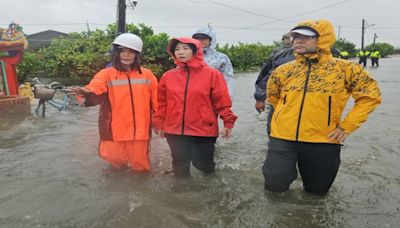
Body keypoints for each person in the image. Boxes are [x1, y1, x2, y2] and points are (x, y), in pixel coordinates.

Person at [262, 19, 381, 195]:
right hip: (282, 138)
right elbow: (273, 98)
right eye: (295, 36)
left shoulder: (346, 69)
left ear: (323, 39)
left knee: (316, 193)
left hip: (323, 141)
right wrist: (280, 123)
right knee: (273, 187)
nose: (297, 40)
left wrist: (347, 126)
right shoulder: (283, 70)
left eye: (305, 37)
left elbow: (370, 96)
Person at [66, 33, 158, 172]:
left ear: (137, 55)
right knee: (115, 163)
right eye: (122, 51)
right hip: (113, 129)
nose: (126, 55)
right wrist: (87, 93)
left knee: (141, 167)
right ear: (116, 53)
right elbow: (96, 88)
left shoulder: (147, 74)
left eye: (131, 52)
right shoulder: (106, 74)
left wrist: (159, 121)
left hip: (140, 130)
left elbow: (157, 100)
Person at [152, 37, 237, 178]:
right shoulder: (168, 76)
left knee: (203, 164)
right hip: (175, 130)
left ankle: (211, 184)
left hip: (203, 129)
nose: (180, 52)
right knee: (180, 164)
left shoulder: (212, 74)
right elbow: (162, 103)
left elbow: (221, 101)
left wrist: (228, 121)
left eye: (185, 48)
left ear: (195, 51)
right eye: (177, 49)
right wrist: (159, 124)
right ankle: (181, 193)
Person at [254, 33, 294, 135]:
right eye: (286, 38)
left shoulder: (316, 54)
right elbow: (266, 75)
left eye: (290, 38)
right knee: (273, 127)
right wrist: (260, 98)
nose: (288, 40)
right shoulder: (278, 53)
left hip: (302, 100)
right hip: (279, 98)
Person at [192, 28, 235, 99]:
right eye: (197, 38)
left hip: (214, 95)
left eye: (204, 38)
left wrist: (228, 97)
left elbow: (228, 78)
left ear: (211, 40)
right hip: (193, 96)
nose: (200, 40)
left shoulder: (222, 57)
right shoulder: (189, 56)